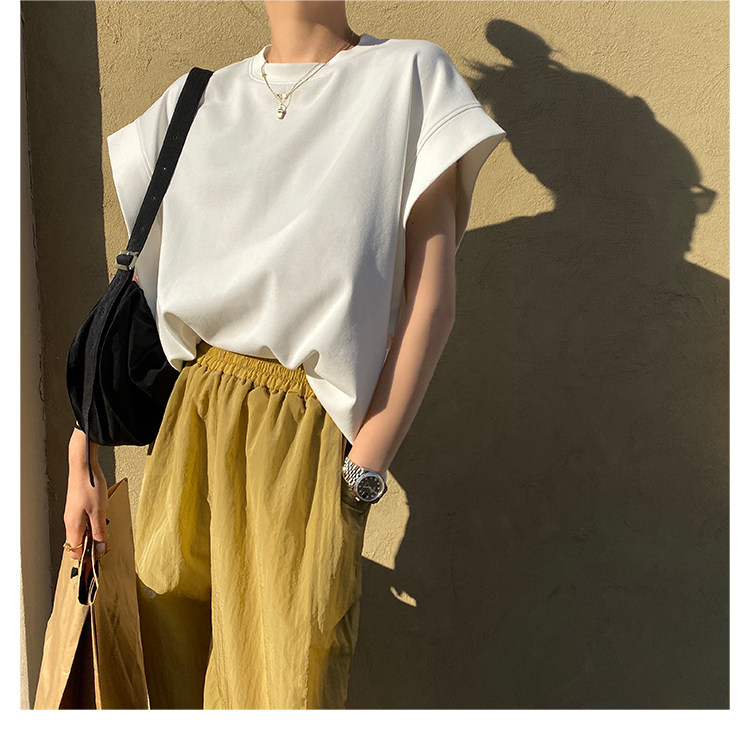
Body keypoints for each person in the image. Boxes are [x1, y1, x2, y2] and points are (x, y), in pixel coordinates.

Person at [63, 0, 506, 709]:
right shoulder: (196, 101)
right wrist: (81, 451)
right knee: (169, 673)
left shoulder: (408, 77)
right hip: (192, 419)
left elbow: (432, 302)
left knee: (286, 688)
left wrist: (363, 469)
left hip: (305, 433)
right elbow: (140, 291)